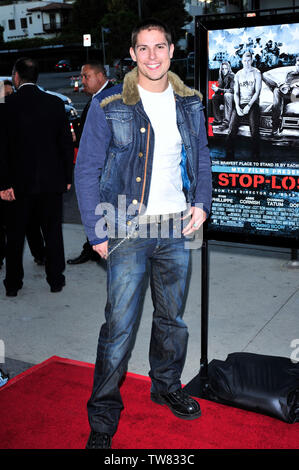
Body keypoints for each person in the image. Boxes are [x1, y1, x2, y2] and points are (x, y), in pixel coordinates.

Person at [75, 18, 212, 449]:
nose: (153, 56)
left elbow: (203, 158)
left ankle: (166, 384)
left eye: (160, 46)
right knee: (119, 327)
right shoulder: (109, 103)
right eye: (143, 48)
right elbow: (86, 168)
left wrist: (202, 203)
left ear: (173, 51)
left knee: (172, 320)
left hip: (177, 227)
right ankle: (102, 419)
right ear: (132, 55)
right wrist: (96, 230)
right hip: (124, 226)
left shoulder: (190, 102)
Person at [0, 57, 73, 296]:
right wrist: (67, 176)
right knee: (53, 232)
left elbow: (2, 149)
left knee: (15, 236)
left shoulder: (6, 105)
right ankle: (56, 280)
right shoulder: (54, 104)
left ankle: (13, 285)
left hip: (18, 185)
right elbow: (64, 144)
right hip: (51, 183)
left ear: (16, 76)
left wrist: (4, 184)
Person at [67, 61, 118, 265]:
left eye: (86, 76)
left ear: (100, 76)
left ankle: (98, 249)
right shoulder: (96, 99)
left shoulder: (111, 99)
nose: (82, 81)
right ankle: (92, 248)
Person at [226, 51, 262, 160]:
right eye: (245, 61)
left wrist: (249, 105)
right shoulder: (238, 74)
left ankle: (255, 155)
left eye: (249, 60)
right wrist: (237, 106)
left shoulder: (256, 72)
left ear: (252, 60)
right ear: (242, 61)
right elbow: (236, 93)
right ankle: (229, 155)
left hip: (252, 104)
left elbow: (257, 92)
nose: (247, 63)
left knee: (254, 129)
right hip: (240, 103)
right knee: (231, 128)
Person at [263, 55, 299, 136]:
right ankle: (280, 84)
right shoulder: (291, 74)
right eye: (297, 65)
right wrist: (287, 86)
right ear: (295, 64)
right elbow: (288, 88)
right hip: (288, 94)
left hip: (297, 97)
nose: (298, 67)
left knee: (278, 90)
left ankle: (275, 126)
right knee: (266, 76)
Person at [211, 61, 235, 130]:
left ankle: (226, 123)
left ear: (229, 69)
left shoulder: (232, 76)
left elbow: (231, 90)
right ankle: (218, 120)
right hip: (226, 96)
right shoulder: (221, 77)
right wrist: (215, 90)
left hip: (234, 97)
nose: (224, 70)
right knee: (214, 97)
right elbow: (220, 91)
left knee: (227, 95)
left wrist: (218, 89)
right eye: (223, 69)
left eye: (226, 68)